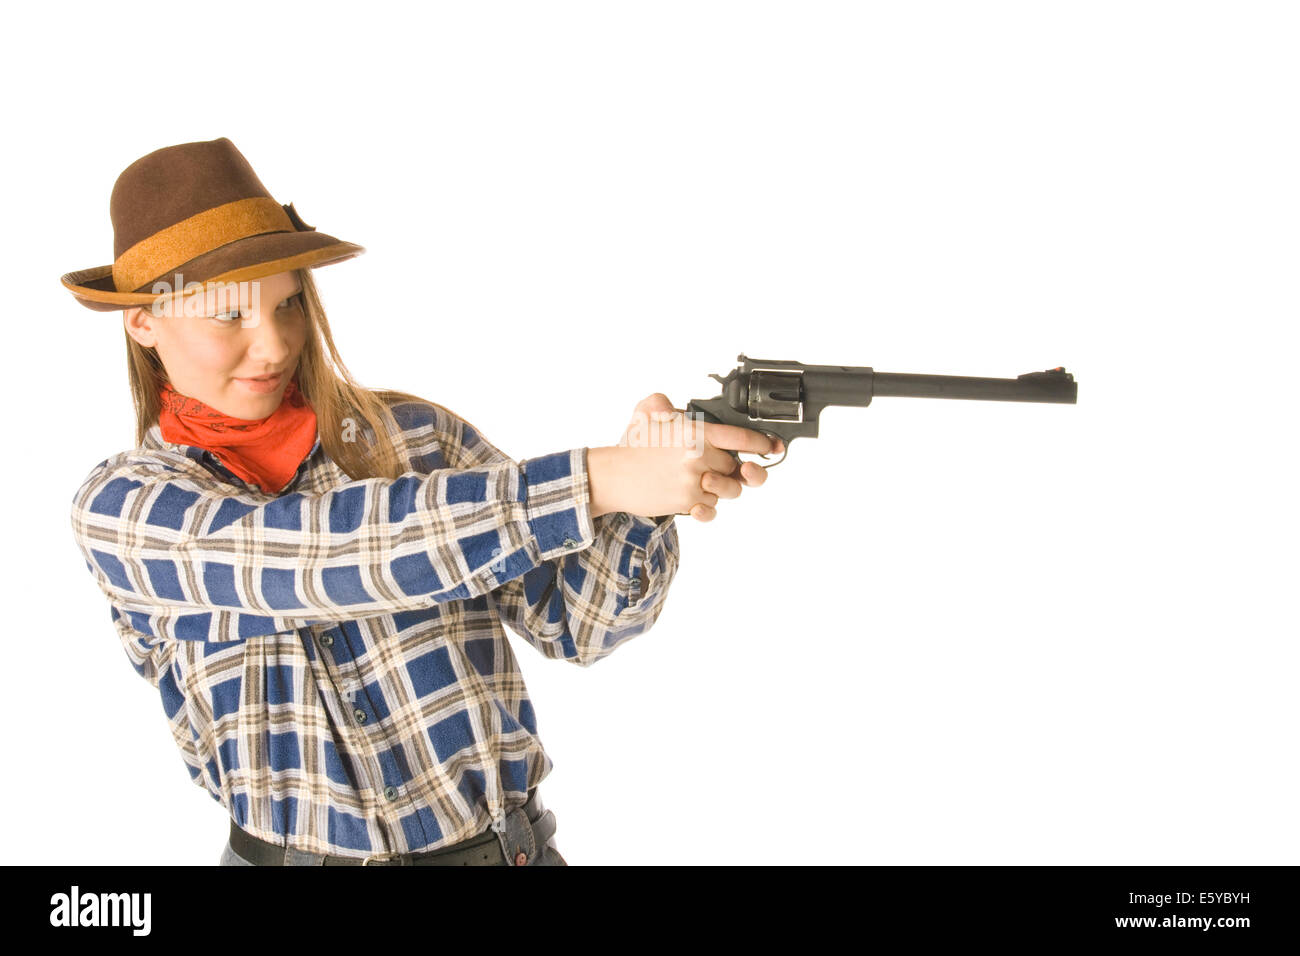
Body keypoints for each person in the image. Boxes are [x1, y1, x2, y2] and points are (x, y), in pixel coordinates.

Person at [62, 137, 780, 865]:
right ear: (143, 320)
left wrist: (642, 504)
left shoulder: (415, 439)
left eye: (288, 304)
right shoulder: (126, 510)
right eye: (230, 317)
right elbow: (328, 555)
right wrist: (597, 480)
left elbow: (581, 625)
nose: (274, 344)